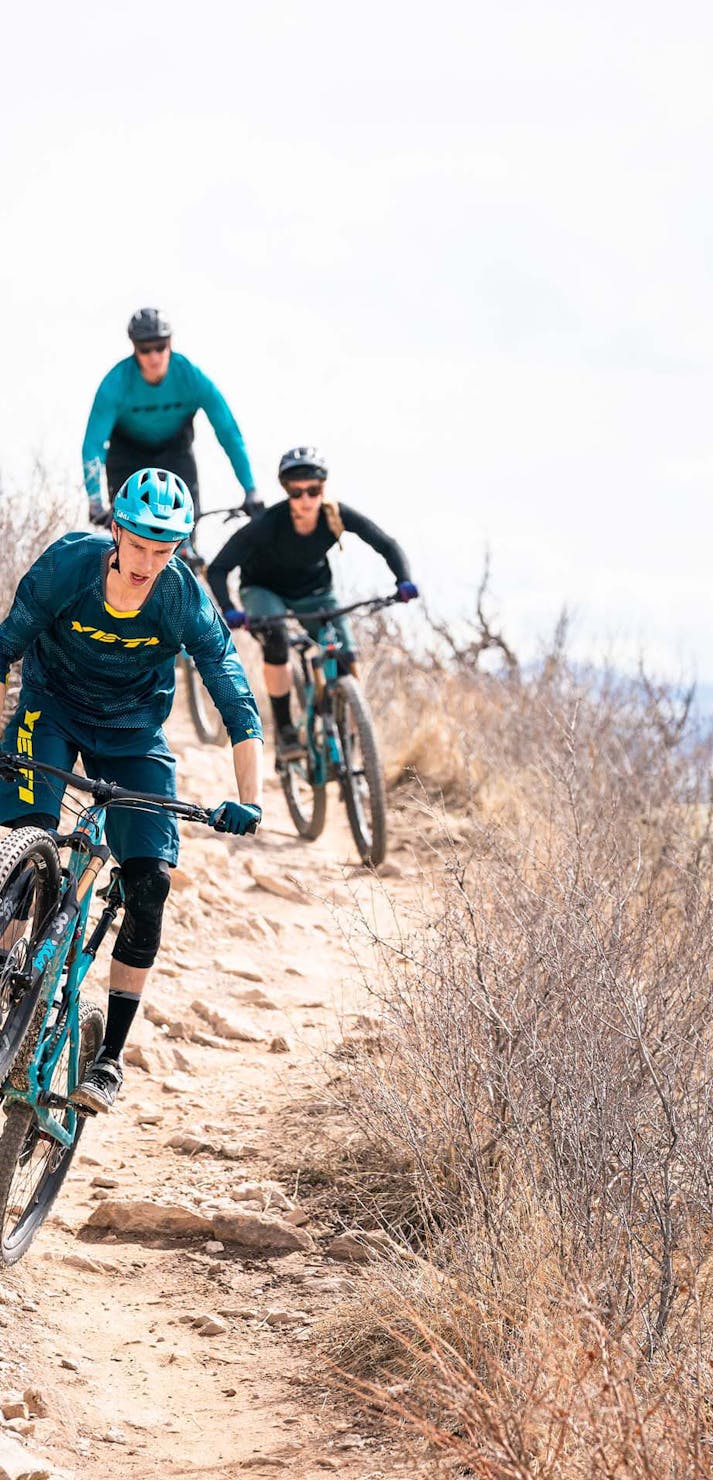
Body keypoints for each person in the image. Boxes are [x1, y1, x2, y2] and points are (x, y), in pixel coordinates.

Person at [0, 468, 264, 1112]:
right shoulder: (68, 568)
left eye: (163, 549)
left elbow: (234, 697)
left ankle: (109, 1060)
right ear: (116, 531)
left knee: (150, 887)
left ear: (178, 548)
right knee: (21, 837)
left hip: (133, 735)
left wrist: (250, 799)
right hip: (50, 711)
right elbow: (4, 647)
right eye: (139, 544)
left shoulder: (182, 598)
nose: (147, 561)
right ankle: (9, 965)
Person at [207, 446, 418, 768]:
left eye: (313, 490)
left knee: (346, 657)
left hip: (315, 592)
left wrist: (404, 580)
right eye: (297, 492)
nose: (306, 499)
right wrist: (229, 608)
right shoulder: (268, 523)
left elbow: (387, 544)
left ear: (323, 488)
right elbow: (218, 568)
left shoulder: (336, 515)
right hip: (264, 589)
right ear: (286, 491)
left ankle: (351, 741)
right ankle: (286, 731)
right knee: (276, 640)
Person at [82, 307, 262, 527]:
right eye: (145, 349)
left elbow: (228, 431)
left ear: (170, 343)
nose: (154, 356)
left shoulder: (191, 377)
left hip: (176, 454)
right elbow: (93, 445)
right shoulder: (115, 383)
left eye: (160, 347)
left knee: (182, 530)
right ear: (134, 348)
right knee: (129, 531)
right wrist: (95, 502)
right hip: (127, 456)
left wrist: (251, 489)